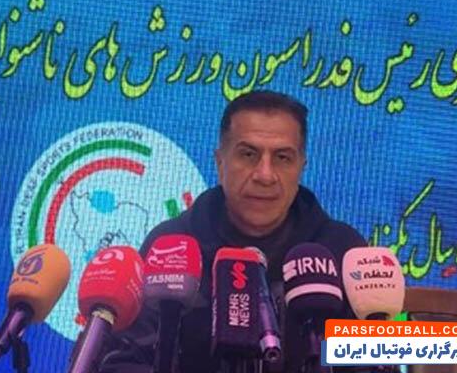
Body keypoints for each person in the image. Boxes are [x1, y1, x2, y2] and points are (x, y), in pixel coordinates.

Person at [99, 90, 369, 372]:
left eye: (282, 158)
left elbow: (381, 359)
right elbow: (122, 361)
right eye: (248, 155)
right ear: (220, 162)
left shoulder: (342, 250)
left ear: (302, 167)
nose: (265, 175)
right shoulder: (171, 248)